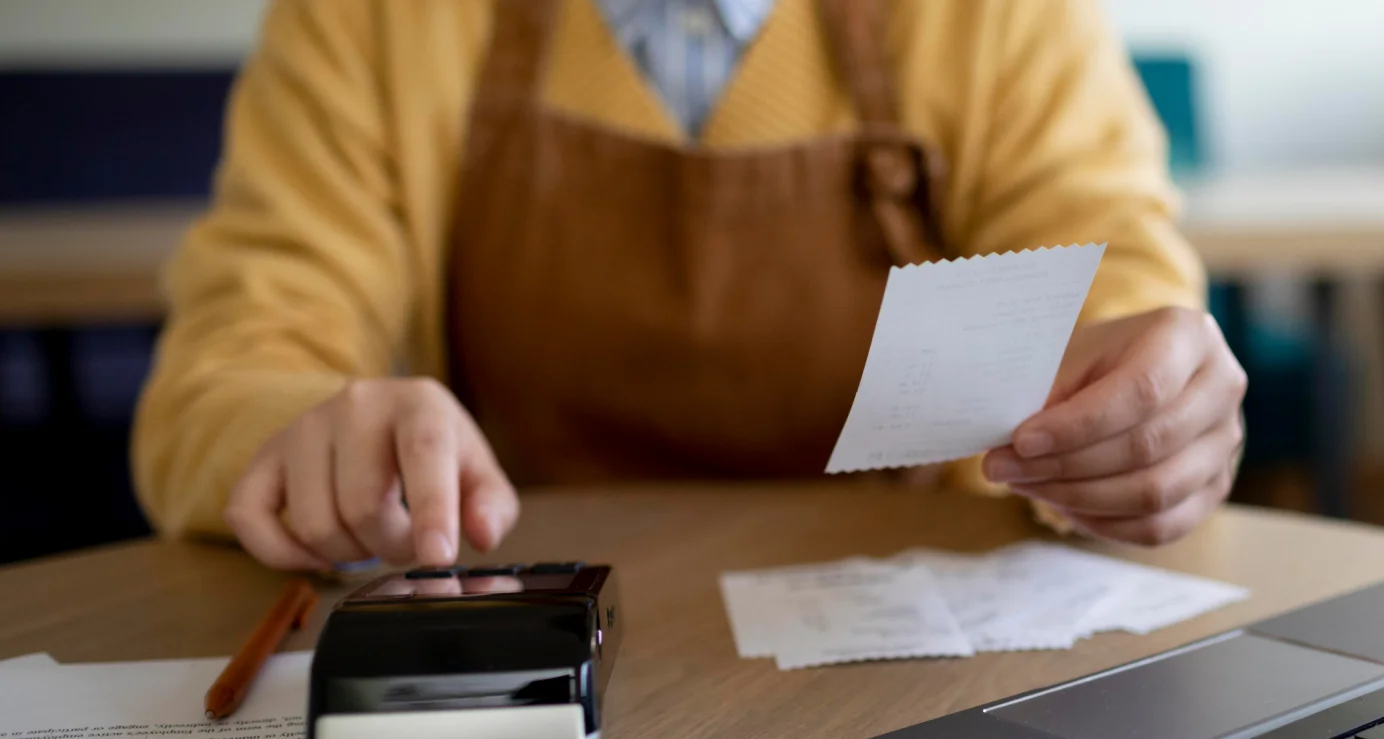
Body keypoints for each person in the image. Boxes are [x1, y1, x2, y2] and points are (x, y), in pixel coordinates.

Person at [131, 0, 1246, 570]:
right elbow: (231, 366)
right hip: (528, 650)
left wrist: (1145, 404)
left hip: (924, 650)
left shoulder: (990, 17)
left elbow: (1112, 285)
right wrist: (308, 433)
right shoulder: (373, 20)